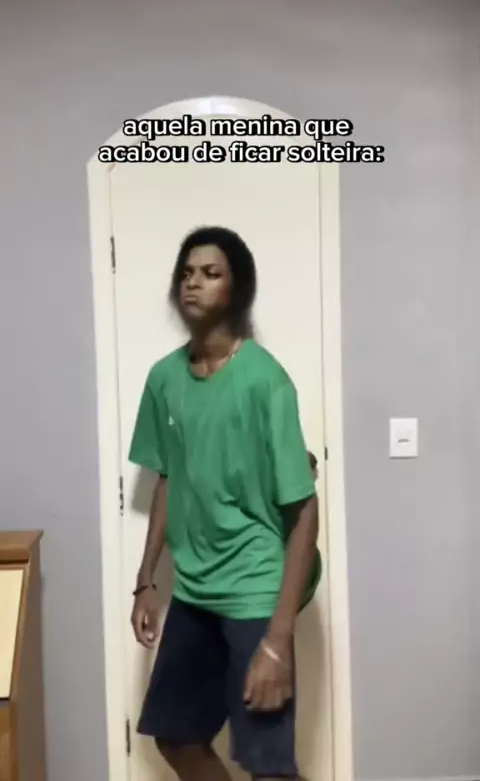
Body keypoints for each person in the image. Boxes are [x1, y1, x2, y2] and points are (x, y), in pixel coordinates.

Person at [128, 226, 322, 781]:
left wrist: (278, 639)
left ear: (235, 290)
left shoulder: (265, 382)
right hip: (194, 591)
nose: (194, 283)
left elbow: (304, 511)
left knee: (268, 766)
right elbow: (169, 479)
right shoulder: (164, 379)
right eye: (187, 273)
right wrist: (145, 579)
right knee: (177, 737)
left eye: (211, 274)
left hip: (254, 590)